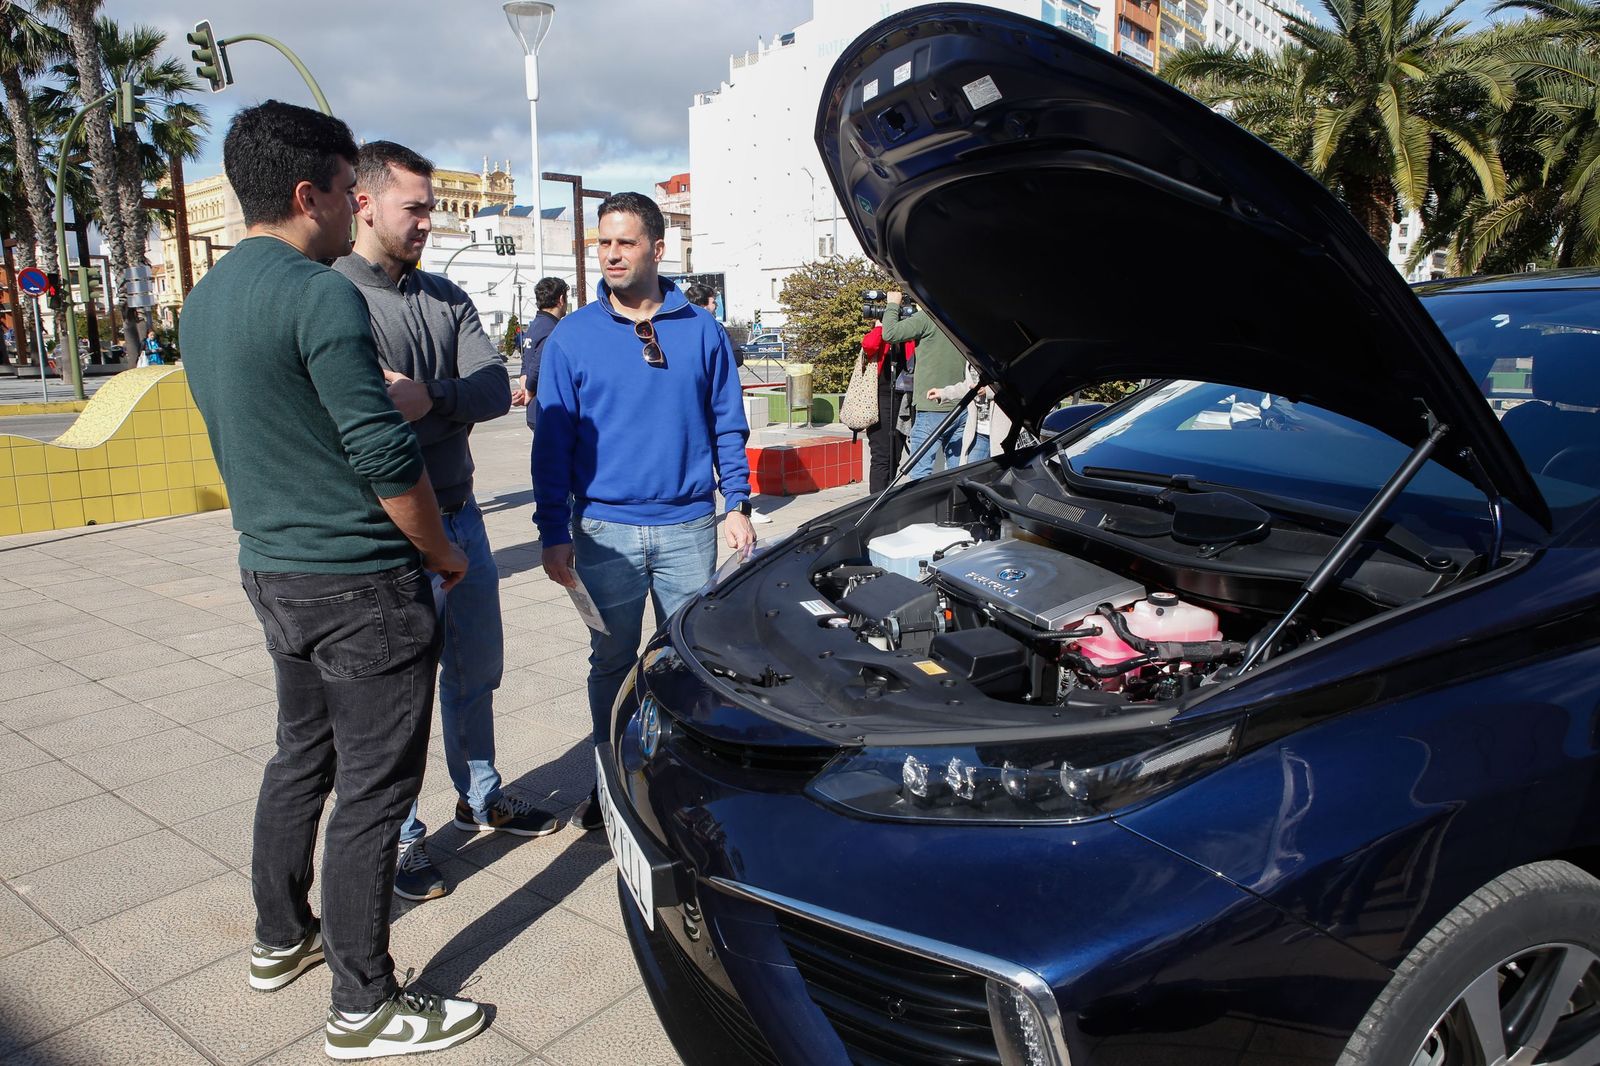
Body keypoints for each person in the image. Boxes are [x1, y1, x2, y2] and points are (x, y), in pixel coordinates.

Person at [177, 101, 486, 1060]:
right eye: (352, 190)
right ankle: (364, 1005)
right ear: (308, 194)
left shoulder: (205, 300)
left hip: (272, 570)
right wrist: (442, 553)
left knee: (299, 759)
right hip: (362, 585)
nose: (358, 206)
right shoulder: (320, 296)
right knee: (374, 794)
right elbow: (383, 453)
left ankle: (280, 938)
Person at [334, 140, 561, 905]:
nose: (429, 221)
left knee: (477, 671)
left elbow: (496, 389)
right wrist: (443, 404)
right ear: (364, 203)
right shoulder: (333, 298)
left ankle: (481, 796)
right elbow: (361, 417)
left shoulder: (447, 297)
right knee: (398, 697)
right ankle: (400, 834)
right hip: (386, 531)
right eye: (415, 207)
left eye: (432, 207)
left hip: (463, 517)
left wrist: (428, 397)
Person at [533, 192, 754, 831]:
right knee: (611, 662)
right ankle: (609, 783)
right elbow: (552, 443)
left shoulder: (703, 331)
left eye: (624, 242)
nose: (611, 254)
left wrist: (737, 503)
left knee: (687, 662)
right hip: (603, 532)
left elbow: (728, 424)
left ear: (658, 249)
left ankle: (678, 781)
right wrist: (552, 530)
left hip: (689, 527)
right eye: (603, 242)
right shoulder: (572, 337)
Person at [881, 289, 971, 478]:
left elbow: (889, 333)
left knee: (919, 473)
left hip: (931, 408)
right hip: (961, 406)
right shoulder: (962, 319)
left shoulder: (928, 318)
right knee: (957, 472)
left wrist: (892, 305)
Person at [510, 276, 568, 432]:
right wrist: (528, 392)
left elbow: (525, 365)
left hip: (534, 411)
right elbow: (537, 365)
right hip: (547, 409)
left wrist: (524, 391)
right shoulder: (552, 329)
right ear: (561, 299)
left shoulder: (535, 326)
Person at [859, 321, 912, 493]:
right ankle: (875, 502)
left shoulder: (909, 332)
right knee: (881, 455)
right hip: (880, 399)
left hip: (903, 400)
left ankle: (887, 496)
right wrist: (881, 326)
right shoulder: (879, 333)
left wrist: (905, 326)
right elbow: (869, 345)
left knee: (895, 455)